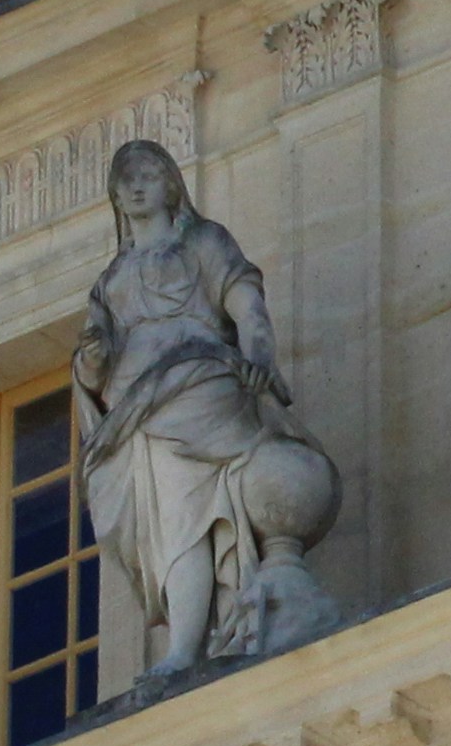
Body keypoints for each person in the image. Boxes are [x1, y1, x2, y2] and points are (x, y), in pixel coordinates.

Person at [77, 138, 340, 677]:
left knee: (188, 515)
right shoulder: (110, 280)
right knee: (169, 526)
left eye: (149, 174)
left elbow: (246, 304)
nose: (137, 186)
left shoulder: (203, 241)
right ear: (115, 197)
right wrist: (90, 363)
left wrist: (260, 355)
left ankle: (186, 648)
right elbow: (92, 365)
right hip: (133, 414)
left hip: (199, 387)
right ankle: (186, 644)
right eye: (126, 179)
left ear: (172, 184)